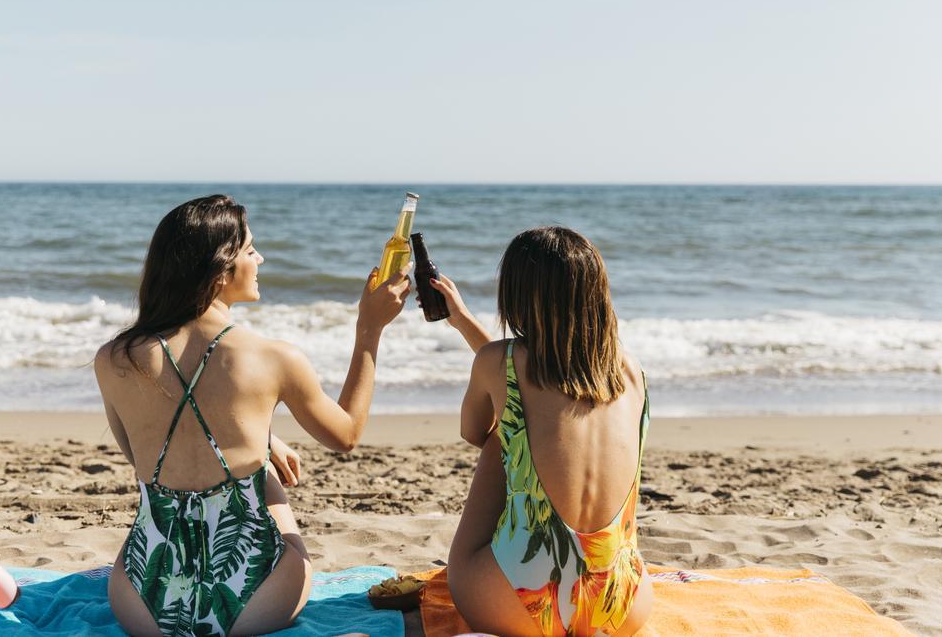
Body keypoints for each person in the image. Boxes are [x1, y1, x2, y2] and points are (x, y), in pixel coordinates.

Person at [94, 195, 410, 637]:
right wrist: (369, 329)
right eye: (249, 250)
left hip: (142, 601)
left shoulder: (114, 358)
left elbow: (139, 457)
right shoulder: (271, 357)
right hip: (254, 596)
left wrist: (261, 437)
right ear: (221, 269)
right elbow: (346, 434)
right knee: (263, 481)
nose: (259, 258)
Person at [429, 226, 654, 636]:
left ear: (516, 296)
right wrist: (462, 322)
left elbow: (474, 430)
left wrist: (468, 331)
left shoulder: (497, 361)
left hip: (520, 601)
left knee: (501, 438)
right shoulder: (630, 370)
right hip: (621, 604)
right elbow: (539, 378)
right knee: (517, 429)